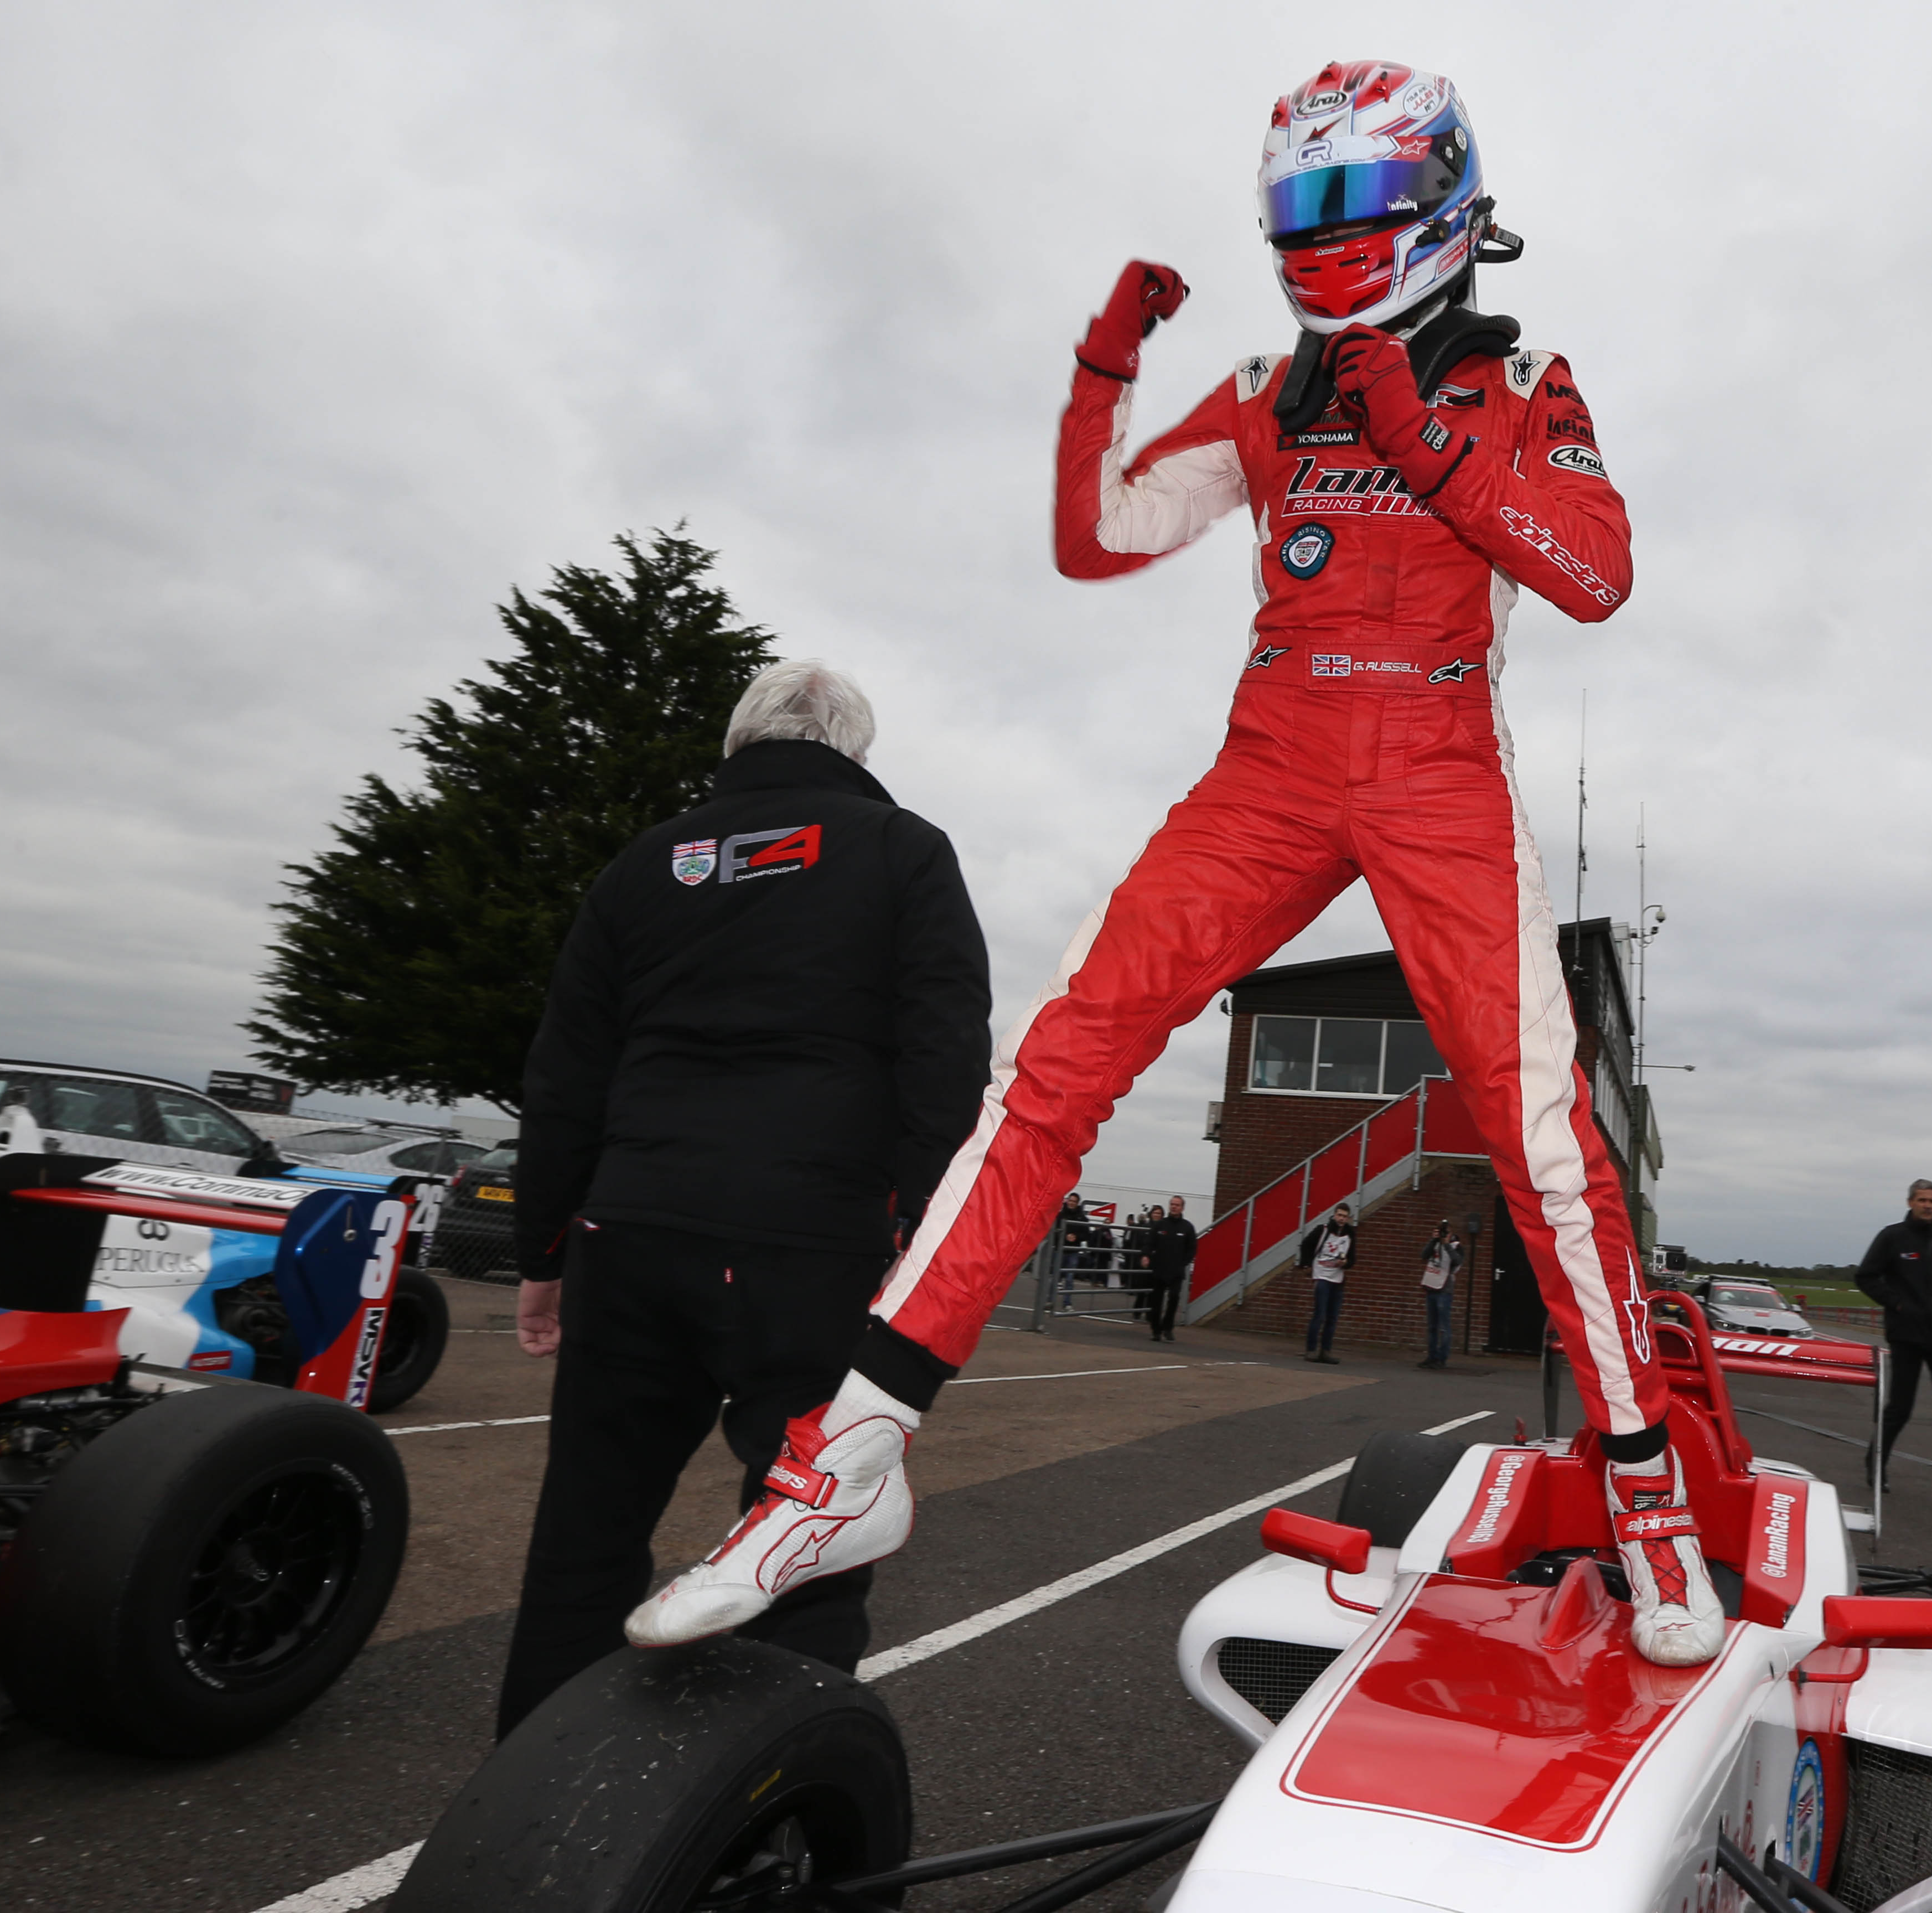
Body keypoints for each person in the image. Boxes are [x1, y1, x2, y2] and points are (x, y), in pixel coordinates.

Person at [632, 61, 1726, 1670]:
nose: (1322, 242)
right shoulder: (1264, 386)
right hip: (1274, 761)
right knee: (1057, 1065)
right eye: (1298, 213)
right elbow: (1104, 537)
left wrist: (1425, 435)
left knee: (1540, 1136)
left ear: (1440, 208)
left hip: (1433, 762)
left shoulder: (1523, 373)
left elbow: (1595, 575)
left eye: (1349, 209)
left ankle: (1645, 1495)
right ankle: (847, 1457)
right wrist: (1101, 369)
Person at [494, 660, 992, 1736]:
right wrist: (923, 1234)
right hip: (810, 1247)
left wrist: (544, 1254)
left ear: (737, 745)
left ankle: (527, 1811)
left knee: (586, 1530)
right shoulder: (904, 853)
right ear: (855, 752)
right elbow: (946, 1061)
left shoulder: (643, 866)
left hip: (631, 1231)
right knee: (804, 1534)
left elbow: (565, 1072)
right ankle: (790, 1834)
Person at [1856, 1179, 1932, 1507]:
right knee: (1899, 1410)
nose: (1927, 1205)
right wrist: (1898, 1304)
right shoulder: (1892, 1237)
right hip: (1907, 1336)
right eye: (1922, 1200)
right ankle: (1876, 1462)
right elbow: (1865, 1277)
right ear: (1910, 1202)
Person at [1296, 1202, 1356, 1363]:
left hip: (1338, 1278)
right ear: (1334, 1215)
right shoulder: (1322, 1230)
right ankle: (1311, 1350)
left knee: (1333, 1317)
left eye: (1345, 1216)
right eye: (1339, 1215)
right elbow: (1306, 1245)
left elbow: (1353, 1259)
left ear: (1348, 1218)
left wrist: (1346, 1263)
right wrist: (1307, 1265)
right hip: (1322, 1276)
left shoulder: (1350, 1235)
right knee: (1320, 1314)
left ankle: (1326, 1351)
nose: (1342, 1219)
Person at [1143, 1196, 1198, 1341]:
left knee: (1174, 1298)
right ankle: (1156, 1331)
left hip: (1176, 1271)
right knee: (1156, 1301)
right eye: (1172, 1205)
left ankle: (1168, 1328)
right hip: (1159, 1269)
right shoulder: (1160, 1225)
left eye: (1177, 1205)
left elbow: (1192, 1249)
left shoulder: (1187, 1227)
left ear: (1182, 1208)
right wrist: (1146, 1256)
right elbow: (1149, 1243)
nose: (1174, 1207)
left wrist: (1184, 1263)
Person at [1419, 1219, 1463, 1369]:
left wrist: (1445, 1243)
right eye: (1441, 1232)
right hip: (1432, 1289)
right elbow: (1424, 1255)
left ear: (1451, 1234)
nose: (1444, 1235)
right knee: (1432, 1326)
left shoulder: (1456, 1246)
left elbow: (1458, 1261)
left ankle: (1441, 1359)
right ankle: (1431, 1357)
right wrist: (1434, 1240)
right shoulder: (1435, 1244)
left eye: (1446, 1233)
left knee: (1444, 1327)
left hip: (1445, 1291)